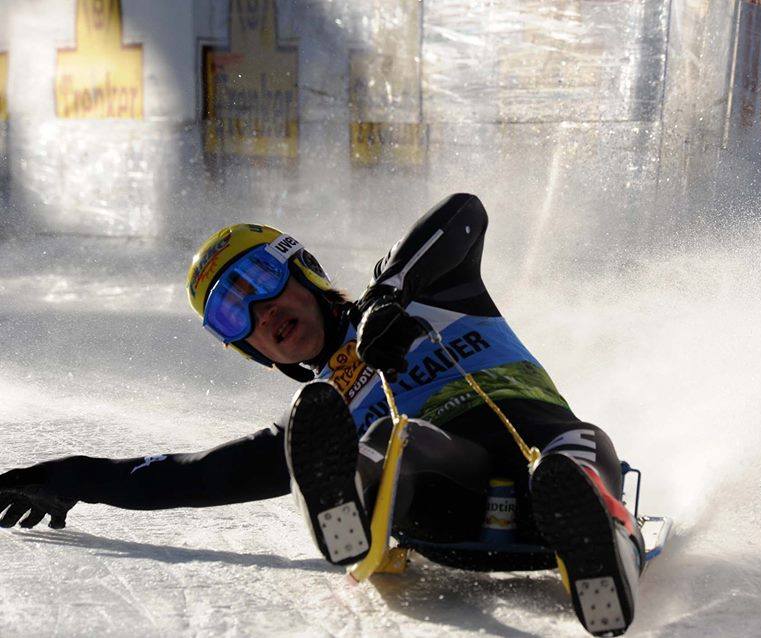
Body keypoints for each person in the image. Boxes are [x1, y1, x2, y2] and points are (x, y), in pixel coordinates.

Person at [0, 193, 644, 637]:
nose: (262, 315)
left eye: (260, 281)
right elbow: (193, 476)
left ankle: (592, 539)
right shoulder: (320, 416)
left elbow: (464, 214)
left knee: (575, 447)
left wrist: (390, 295)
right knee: (400, 440)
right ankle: (351, 497)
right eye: (235, 316)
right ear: (244, 349)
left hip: (538, 454)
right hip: (451, 497)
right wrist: (73, 476)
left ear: (302, 269)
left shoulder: (434, 289)